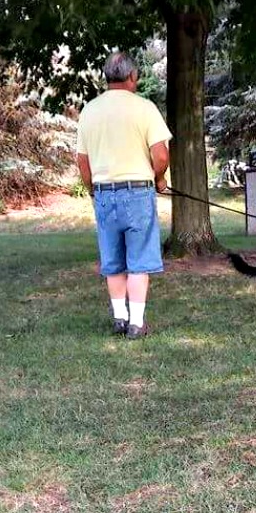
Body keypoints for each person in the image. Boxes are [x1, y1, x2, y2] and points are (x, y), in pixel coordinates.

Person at [76, 52, 172, 339]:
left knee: (113, 260)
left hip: (104, 193)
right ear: (132, 76)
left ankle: (120, 318)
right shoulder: (145, 108)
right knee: (139, 260)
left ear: (107, 76)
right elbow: (161, 155)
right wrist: (159, 179)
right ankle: (137, 323)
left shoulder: (89, 111)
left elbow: (82, 161)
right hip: (138, 193)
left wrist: (92, 189)